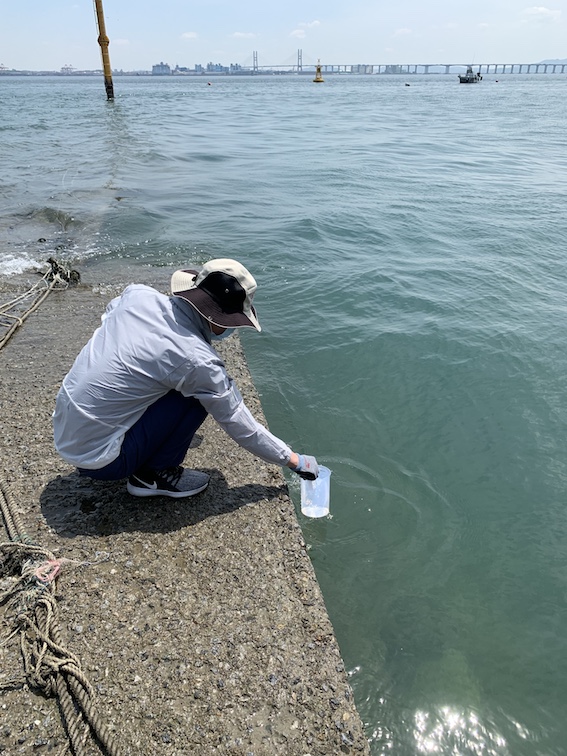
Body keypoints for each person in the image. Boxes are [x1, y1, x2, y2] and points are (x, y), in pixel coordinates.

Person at [52, 258, 319, 498]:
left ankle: (146, 450)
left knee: (166, 378)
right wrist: (293, 460)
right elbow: (238, 422)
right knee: (196, 397)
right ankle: (153, 476)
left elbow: (111, 315)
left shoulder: (138, 295)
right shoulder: (196, 359)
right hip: (101, 463)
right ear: (220, 318)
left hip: (67, 430)